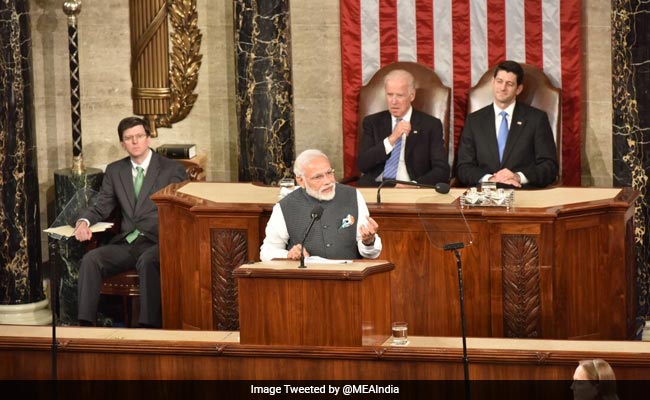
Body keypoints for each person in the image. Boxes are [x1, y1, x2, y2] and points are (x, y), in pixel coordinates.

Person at [74, 116, 188, 328]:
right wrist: (83, 222)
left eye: (139, 136)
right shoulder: (115, 170)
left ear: (148, 139)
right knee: (92, 259)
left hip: (159, 241)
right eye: (129, 138)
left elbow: (182, 210)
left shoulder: (171, 169)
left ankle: (148, 328)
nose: (135, 142)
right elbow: (101, 205)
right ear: (122, 144)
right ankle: (86, 326)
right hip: (128, 241)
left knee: (147, 262)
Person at [260, 149, 382, 261]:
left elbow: (370, 253)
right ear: (301, 181)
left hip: (349, 278)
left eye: (329, 173)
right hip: (305, 281)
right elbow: (267, 252)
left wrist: (368, 242)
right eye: (318, 177)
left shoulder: (352, 196)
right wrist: (288, 255)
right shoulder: (285, 206)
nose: (328, 181)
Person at [456, 60, 558, 188]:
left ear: (518, 89)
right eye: (499, 82)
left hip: (523, 195)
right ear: (493, 83)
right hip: (485, 196)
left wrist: (518, 177)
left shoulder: (536, 119)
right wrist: (492, 179)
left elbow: (549, 167)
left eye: (509, 84)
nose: (503, 88)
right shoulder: (474, 121)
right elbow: (463, 167)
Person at [356, 69, 450, 187]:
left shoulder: (430, 125)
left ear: (412, 95)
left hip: (412, 189)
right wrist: (392, 139)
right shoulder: (372, 122)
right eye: (389, 95)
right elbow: (363, 165)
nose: (393, 101)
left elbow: (442, 170)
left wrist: (415, 185)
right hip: (378, 187)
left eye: (399, 95)